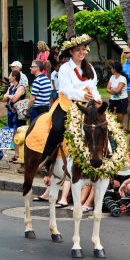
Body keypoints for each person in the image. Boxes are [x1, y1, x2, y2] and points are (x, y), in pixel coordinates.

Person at [40, 34, 101, 174]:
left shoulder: (90, 67)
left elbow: (94, 87)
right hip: (67, 102)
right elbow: (66, 90)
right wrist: (82, 95)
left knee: (104, 124)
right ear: (71, 52)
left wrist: (97, 99)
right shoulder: (64, 68)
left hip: (88, 102)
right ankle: (46, 160)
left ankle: (107, 156)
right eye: (78, 50)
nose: (82, 52)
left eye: (84, 49)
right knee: (57, 128)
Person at [3, 70, 26, 161]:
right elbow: (4, 98)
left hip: (18, 114)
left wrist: (9, 96)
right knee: (13, 133)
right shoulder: (11, 87)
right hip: (11, 113)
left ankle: (21, 154)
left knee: (19, 132)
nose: (8, 77)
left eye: (10, 75)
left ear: (14, 77)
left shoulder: (21, 87)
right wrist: (9, 96)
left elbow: (15, 99)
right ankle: (16, 154)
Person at [107, 61, 129, 129]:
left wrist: (112, 89)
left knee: (119, 118)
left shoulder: (122, 78)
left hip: (121, 100)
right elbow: (107, 88)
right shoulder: (112, 77)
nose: (111, 70)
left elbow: (117, 91)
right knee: (110, 116)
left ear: (115, 69)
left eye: (111, 68)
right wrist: (113, 90)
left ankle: (120, 133)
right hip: (113, 100)